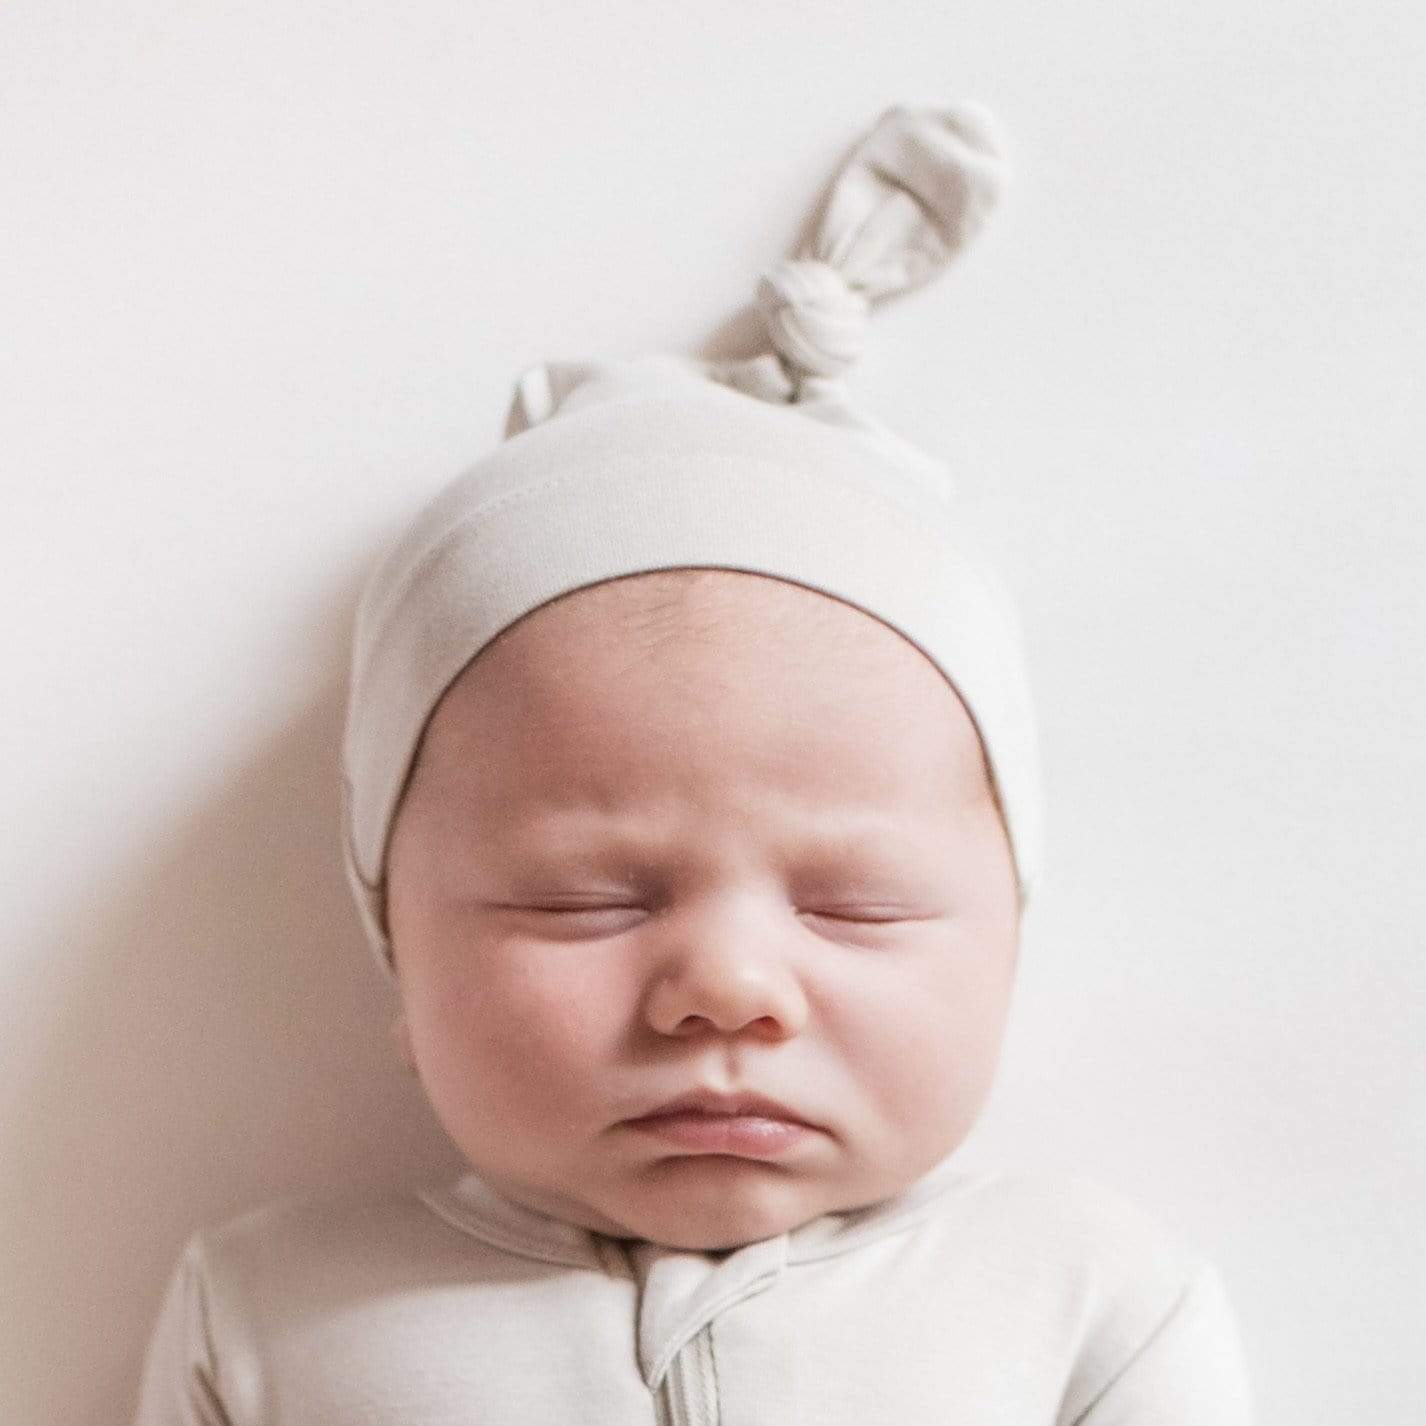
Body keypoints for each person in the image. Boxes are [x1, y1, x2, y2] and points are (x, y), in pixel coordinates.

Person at [130, 100, 1257, 1424]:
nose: (724, 989)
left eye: (855, 902)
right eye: (582, 897)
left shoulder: (1087, 1300)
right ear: (397, 935)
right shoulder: (277, 1308)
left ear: (1007, 931)